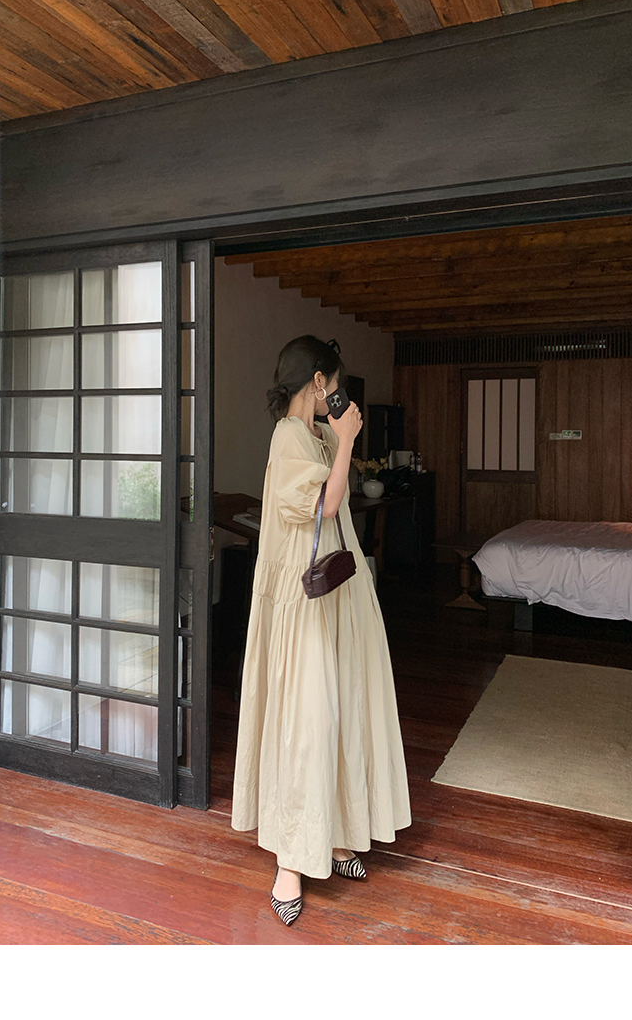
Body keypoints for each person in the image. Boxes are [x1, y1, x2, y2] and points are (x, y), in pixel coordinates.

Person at [230, 334, 411, 926]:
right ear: (316, 382)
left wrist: (339, 437)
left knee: (337, 712)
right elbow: (325, 507)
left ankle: (331, 835)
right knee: (306, 721)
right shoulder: (288, 436)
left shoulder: (314, 434)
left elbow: (340, 489)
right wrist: (349, 438)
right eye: (334, 383)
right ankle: (290, 861)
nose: (338, 392)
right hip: (302, 603)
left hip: (334, 596)